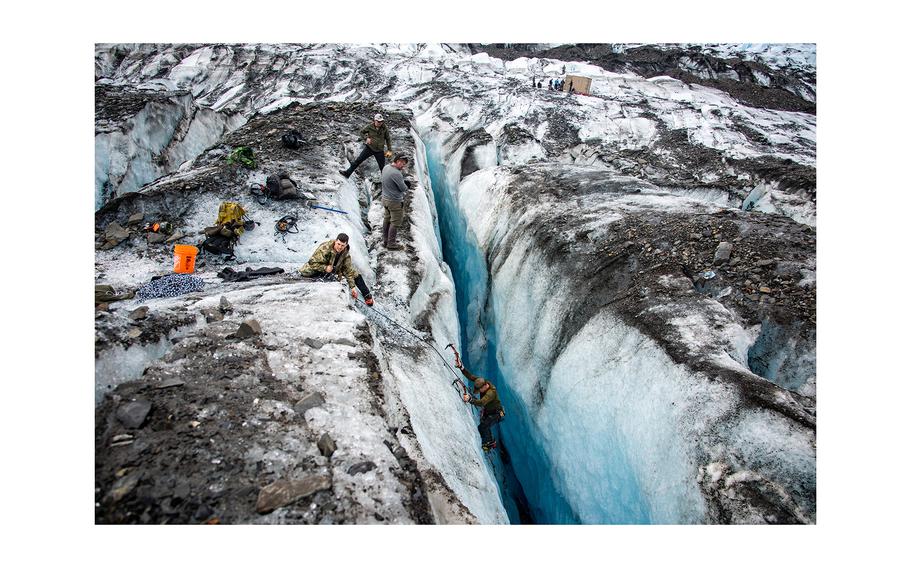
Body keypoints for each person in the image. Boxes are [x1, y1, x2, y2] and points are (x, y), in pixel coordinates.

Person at [299, 233, 374, 305]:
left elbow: (348, 270)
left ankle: (367, 295)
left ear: (346, 245)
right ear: (335, 241)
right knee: (306, 272)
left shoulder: (345, 253)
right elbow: (312, 262)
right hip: (321, 267)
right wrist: (325, 268)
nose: (340, 247)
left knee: (354, 273)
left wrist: (353, 287)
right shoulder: (324, 248)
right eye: (338, 244)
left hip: (335, 268)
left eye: (342, 245)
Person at [456, 362, 504, 452]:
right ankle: (486, 441)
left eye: (480, 390)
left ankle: (490, 443)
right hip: (488, 411)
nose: (479, 391)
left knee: (484, 426)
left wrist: (470, 400)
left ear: (485, 386)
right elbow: (471, 377)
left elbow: (482, 402)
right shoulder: (481, 381)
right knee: (482, 427)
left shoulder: (491, 393)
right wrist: (461, 367)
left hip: (496, 413)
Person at [339, 114, 393, 178]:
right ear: (375, 121)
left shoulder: (384, 128)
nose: (380, 123)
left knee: (382, 168)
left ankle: (386, 182)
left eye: (381, 121)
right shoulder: (369, 127)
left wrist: (389, 150)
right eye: (378, 121)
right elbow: (361, 132)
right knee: (358, 161)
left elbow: (388, 139)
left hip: (379, 150)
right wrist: (366, 138)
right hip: (369, 148)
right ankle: (347, 173)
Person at [380, 154, 410, 250]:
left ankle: (385, 240)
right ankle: (391, 243)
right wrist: (407, 185)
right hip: (394, 201)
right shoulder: (396, 173)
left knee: (387, 219)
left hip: (385, 199)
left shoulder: (386, 167)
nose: (403, 166)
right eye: (403, 164)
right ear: (398, 161)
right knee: (395, 222)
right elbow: (403, 188)